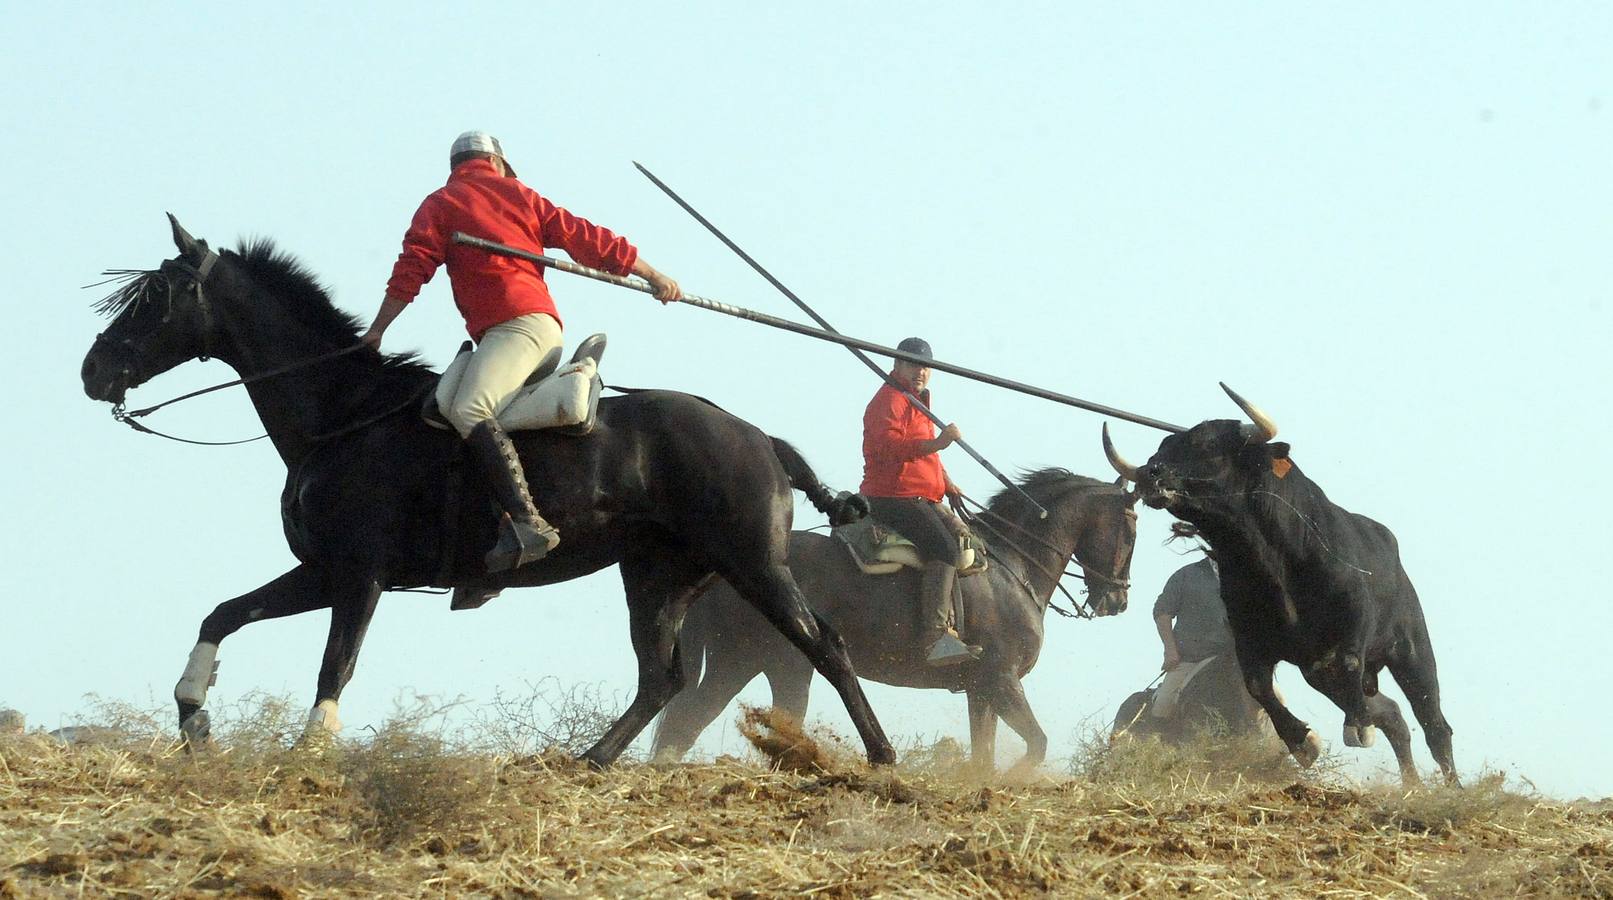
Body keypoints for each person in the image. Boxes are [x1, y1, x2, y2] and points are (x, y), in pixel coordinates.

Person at [363, 131, 681, 574]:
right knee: (445, 407)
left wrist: (378, 329)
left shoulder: (439, 203)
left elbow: (411, 270)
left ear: (457, 165)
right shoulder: (520, 195)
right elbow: (584, 237)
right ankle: (486, 530)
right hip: (517, 332)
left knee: (470, 407)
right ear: (496, 161)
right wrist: (651, 274)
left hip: (518, 331)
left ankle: (529, 524)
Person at [860, 337, 977, 666]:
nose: (920, 371)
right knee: (945, 550)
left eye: (926, 366)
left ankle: (956, 629)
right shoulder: (890, 400)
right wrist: (939, 442)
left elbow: (921, 455)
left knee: (968, 542)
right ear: (897, 366)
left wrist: (946, 482)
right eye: (912, 364)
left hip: (922, 495)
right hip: (892, 497)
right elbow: (891, 448)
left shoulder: (917, 401)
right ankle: (935, 637)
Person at [1151, 553, 1234, 719]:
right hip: (1191, 659)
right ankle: (1157, 743)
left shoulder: (1248, 577)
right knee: (1163, 705)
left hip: (1235, 663)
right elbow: (1163, 613)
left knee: (1278, 703)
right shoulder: (1186, 575)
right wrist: (1170, 651)